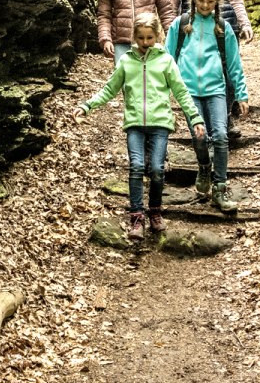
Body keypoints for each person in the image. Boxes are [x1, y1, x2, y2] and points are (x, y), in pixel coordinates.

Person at [81, 12, 203, 239]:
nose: (146, 43)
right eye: (141, 38)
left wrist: (195, 118)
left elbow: (181, 92)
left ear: (157, 36)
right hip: (135, 123)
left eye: (150, 38)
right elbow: (109, 89)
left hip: (160, 123)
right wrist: (88, 105)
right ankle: (136, 216)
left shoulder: (166, 61)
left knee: (156, 169)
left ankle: (155, 211)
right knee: (136, 166)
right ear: (134, 37)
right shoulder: (126, 61)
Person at [167, 0, 248, 212]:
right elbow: (167, 59)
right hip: (188, 91)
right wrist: (163, 92)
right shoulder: (180, 25)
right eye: (201, 0)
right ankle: (204, 166)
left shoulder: (223, 27)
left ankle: (220, 189)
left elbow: (234, 63)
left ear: (217, 2)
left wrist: (241, 94)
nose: (205, 5)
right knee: (199, 137)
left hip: (216, 89)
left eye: (210, 1)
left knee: (221, 136)